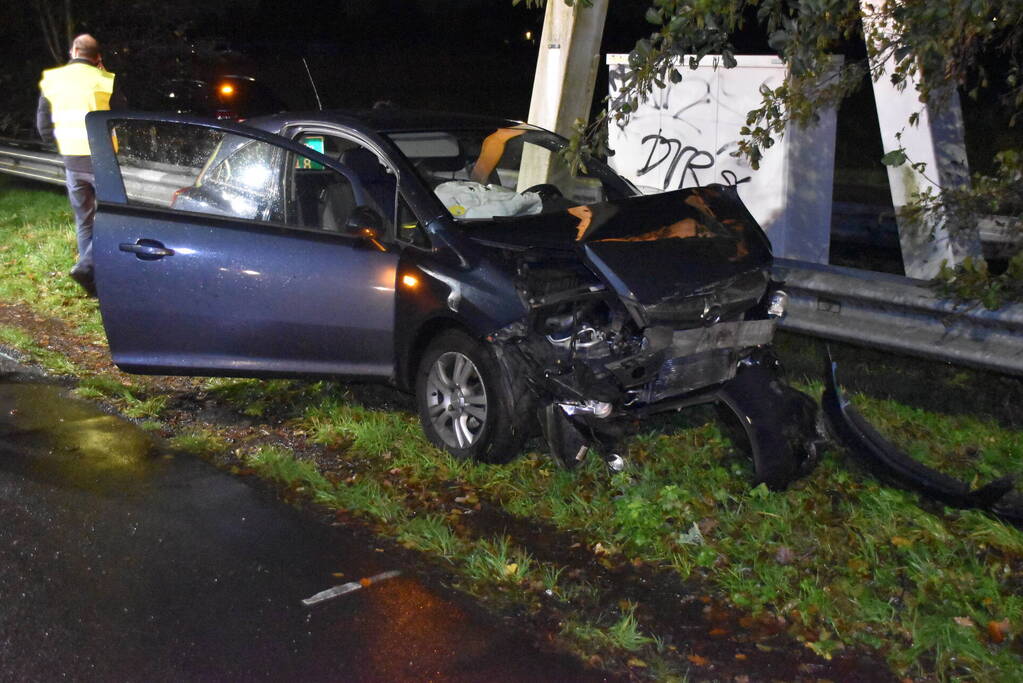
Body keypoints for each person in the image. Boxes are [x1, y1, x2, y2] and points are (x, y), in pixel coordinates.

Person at [36, 34, 126, 296]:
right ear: (98, 57)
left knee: (84, 218)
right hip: (102, 157)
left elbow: (42, 126)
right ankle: (87, 267)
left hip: (71, 158)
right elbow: (120, 114)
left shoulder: (53, 79)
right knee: (112, 215)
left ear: (73, 50)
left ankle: (91, 281)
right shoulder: (105, 79)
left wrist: (60, 144)